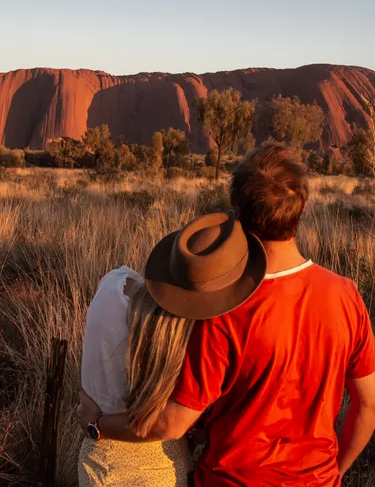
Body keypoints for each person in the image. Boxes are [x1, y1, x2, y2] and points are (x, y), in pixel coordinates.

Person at [79, 144, 375, 486]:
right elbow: (367, 406)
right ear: (301, 208)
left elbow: (173, 423)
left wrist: (99, 425)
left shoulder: (223, 311)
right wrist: (333, 473)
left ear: (237, 214)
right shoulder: (346, 295)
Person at [78, 212, 266, 486]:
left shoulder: (112, 283)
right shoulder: (194, 340)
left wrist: (96, 423)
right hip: (163, 465)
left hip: (97, 459)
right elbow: (174, 423)